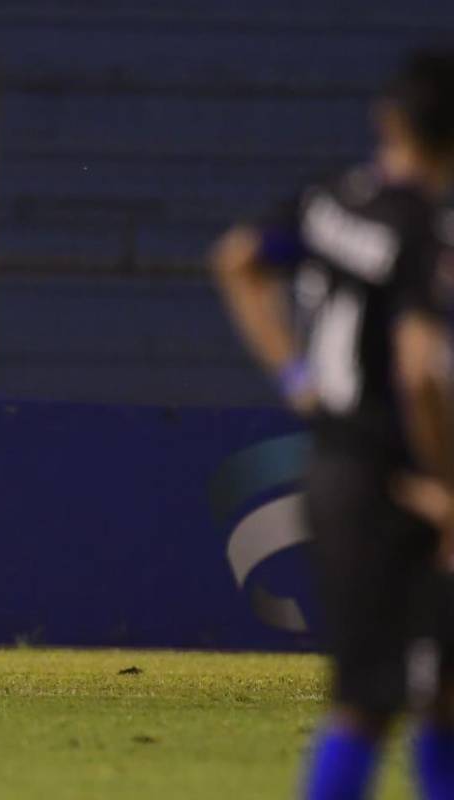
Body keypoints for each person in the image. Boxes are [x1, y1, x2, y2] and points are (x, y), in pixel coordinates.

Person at [212, 50, 454, 799]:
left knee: (390, 691)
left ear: (389, 119)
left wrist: (297, 377)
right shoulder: (425, 227)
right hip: (403, 471)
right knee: (395, 695)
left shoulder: (332, 200)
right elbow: (418, 372)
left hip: (337, 462)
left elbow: (238, 258)